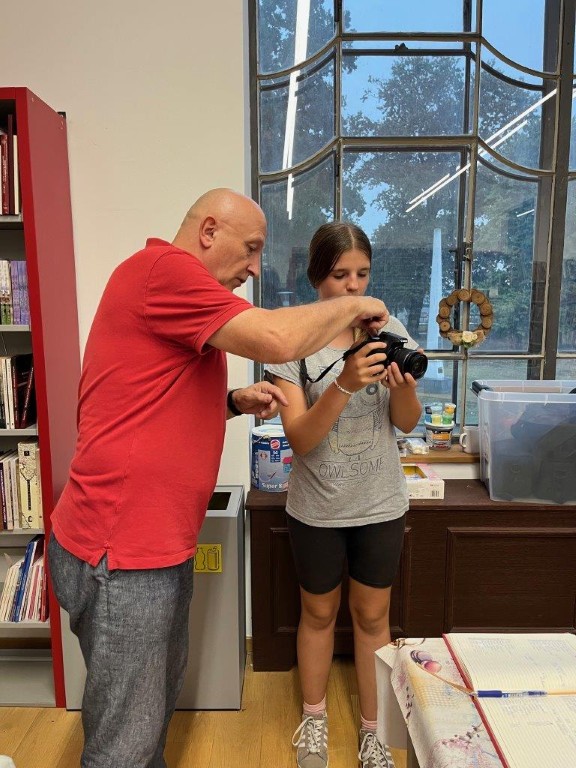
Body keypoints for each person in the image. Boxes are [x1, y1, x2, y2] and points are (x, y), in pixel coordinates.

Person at [47, 189, 390, 768]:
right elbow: (278, 338)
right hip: (121, 551)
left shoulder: (172, 290)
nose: (255, 267)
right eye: (251, 248)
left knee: (147, 717)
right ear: (209, 231)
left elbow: (151, 397)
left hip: (152, 547)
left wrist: (231, 401)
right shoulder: (164, 271)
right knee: (124, 743)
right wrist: (359, 303)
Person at [267, 222, 422, 768]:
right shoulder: (292, 340)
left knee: (374, 617)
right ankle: (314, 721)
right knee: (317, 613)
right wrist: (345, 383)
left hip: (380, 502)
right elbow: (301, 439)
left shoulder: (388, 329)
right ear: (316, 277)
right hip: (317, 506)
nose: (353, 287)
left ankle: (372, 732)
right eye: (339, 275)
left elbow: (406, 422)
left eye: (362, 274)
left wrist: (404, 389)